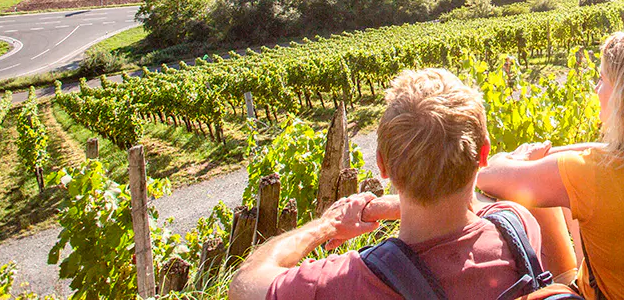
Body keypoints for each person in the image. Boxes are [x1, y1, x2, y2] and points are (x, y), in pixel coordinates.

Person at [229, 68, 544, 300]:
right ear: (484, 153)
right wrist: (375, 210)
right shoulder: (517, 228)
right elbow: (479, 206)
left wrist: (327, 225)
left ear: (381, 164)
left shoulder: (342, 284)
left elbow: (245, 285)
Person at [477, 31, 624, 300]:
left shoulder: (592, 174)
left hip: (598, 295)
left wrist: (517, 158)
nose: (595, 88)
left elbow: (486, 175)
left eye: (602, 79)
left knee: (518, 201)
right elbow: (605, 151)